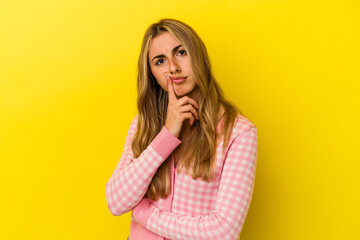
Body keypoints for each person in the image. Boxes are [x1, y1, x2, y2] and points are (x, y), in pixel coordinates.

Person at [105, 18, 258, 240]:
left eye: (181, 52)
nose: (173, 68)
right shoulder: (143, 124)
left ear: (199, 57)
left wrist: (147, 216)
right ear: (153, 76)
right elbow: (116, 202)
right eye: (160, 61)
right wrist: (166, 136)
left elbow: (223, 232)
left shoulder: (238, 133)